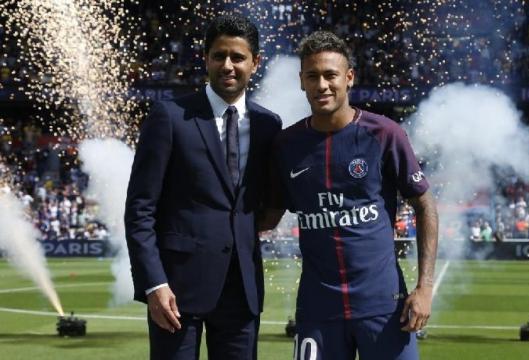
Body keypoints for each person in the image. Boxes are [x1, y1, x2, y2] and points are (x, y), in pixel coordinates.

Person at [261, 31, 439, 360]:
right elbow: (267, 216)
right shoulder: (286, 146)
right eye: (312, 76)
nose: (322, 85)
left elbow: (425, 205)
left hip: (383, 307)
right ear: (301, 81)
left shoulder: (384, 133)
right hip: (318, 308)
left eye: (331, 75)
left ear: (349, 78)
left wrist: (424, 288)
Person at [125, 15, 281, 360]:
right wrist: (154, 284)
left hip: (242, 291)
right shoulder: (169, 117)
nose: (228, 65)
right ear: (205, 59)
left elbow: (267, 201)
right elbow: (140, 209)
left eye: (238, 57)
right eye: (219, 55)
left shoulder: (270, 125)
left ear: (255, 63)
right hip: (175, 292)